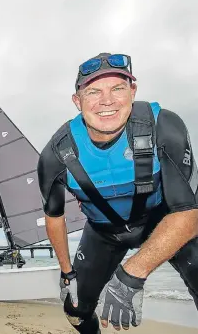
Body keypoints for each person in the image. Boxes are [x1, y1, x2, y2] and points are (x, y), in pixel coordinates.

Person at [37, 52, 198, 333]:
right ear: (78, 101)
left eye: (118, 88)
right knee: (74, 310)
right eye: (93, 92)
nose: (107, 101)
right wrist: (66, 273)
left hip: (165, 221)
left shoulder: (164, 127)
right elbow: (54, 217)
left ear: (133, 91)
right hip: (104, 232)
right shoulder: (56, 154)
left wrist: (132, 273)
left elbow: (189, 212)